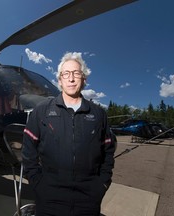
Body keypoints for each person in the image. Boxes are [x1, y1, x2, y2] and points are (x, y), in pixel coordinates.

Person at [21, 52, 116, 216]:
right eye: (66, 74)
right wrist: (38, 183)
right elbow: (28, 151)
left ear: (84, 79)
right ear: (59, 80)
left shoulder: (99, 114)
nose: (71, 78)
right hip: (49, 197)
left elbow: (108, 151)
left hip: (88, 198)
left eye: (76, 73)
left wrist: (101, 184)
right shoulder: (41, 112)